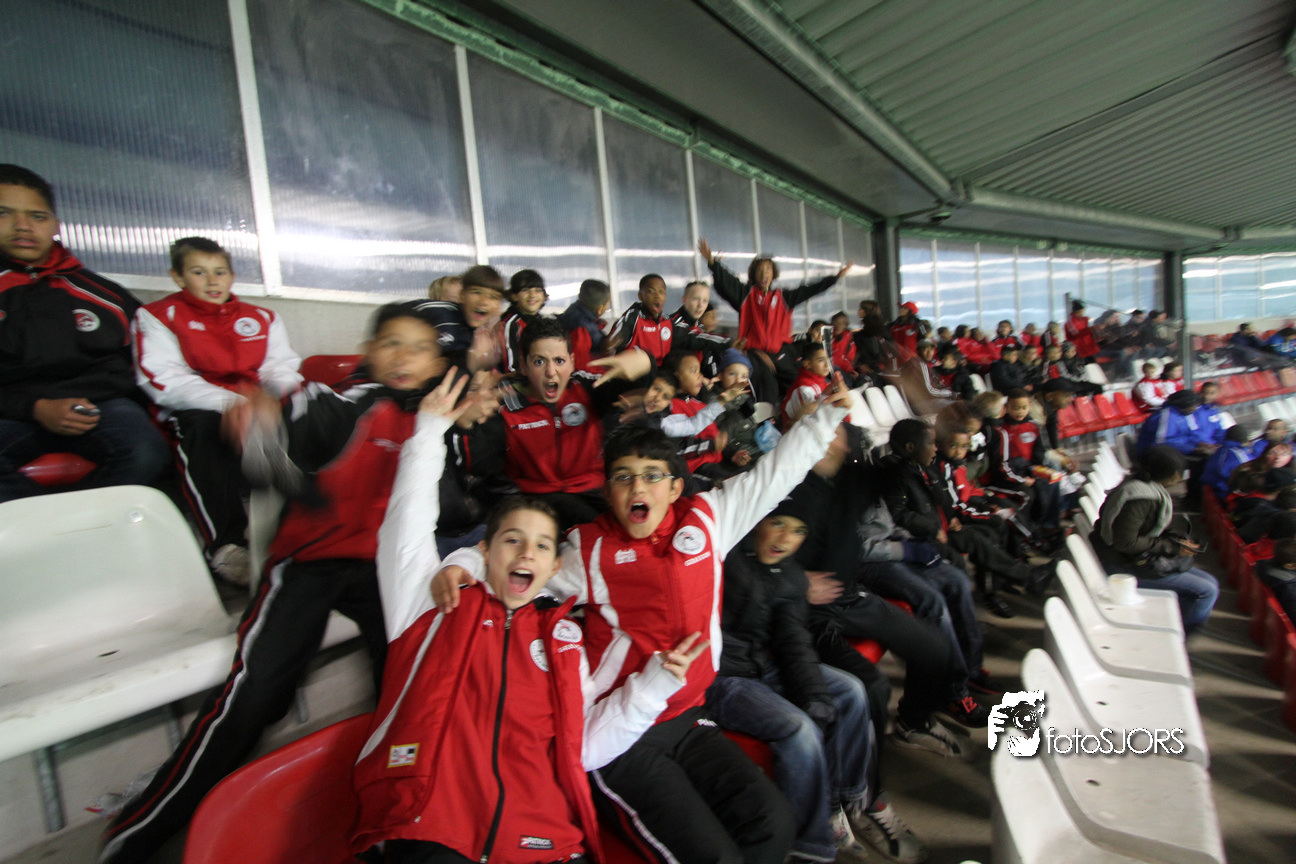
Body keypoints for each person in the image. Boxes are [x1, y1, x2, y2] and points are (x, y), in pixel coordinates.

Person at [100, 301, 462, 864]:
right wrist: (262, 433)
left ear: (437, 363)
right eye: (391, 342)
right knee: (253, 700)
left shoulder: (438, 417)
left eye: (419, 348)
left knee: (407, 687)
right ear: (369, 352)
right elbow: (276, 451)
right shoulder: (335, 402)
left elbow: (453, 507)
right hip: (307, 563)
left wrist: (457, 427)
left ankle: (393, 824)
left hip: (380, 571)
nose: (403, 356)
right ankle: (136, 832)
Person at [434, 386, 854, 864]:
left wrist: (825, 419)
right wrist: (465, 563)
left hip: (689, 716)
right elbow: (518, 558)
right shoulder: (587, 551)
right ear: (608, 491)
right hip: (621, 734)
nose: (638, 488)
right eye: (624, 477)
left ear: (675, 488)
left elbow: (777, 473)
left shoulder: (710, 519)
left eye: (653, 476)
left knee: (773, 823)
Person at [352, 376, 701, 864]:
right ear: (486, 552)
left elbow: (583, 746)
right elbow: (405, 526)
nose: (526, 553)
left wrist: (650, 690)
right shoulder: (433, 603)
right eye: (512, 540)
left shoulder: (564, 642)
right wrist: (428, 432)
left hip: (545, 839)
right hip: (433, 826)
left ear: (554, 567)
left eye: (541, 545)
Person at [706, 495, 926, 864]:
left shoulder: (791, 575)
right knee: (799, 727)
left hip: (761, 664)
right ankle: (811, 845)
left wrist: (813, 693)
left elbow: (793, 641)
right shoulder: (724, 554)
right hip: (721, 677)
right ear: (758, 521)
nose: (784, 538)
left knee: (851, 691)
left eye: (797, 531)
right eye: (778, 524)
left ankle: (843, 799)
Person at [135, 236, 303, 584]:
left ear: (231, 276)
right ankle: (227, 547)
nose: (212, 281)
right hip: (196, 408)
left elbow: (282, 367)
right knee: (206, 431)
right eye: (199, 272)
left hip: (259, 403)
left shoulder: (262, 317)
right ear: (178, 277)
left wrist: (267, 398)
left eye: (220, 272)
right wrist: (237, 405)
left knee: (309, 418)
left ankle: (305, 538)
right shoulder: (157, 316)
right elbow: (164, 378)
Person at [0, 164, 169, 502]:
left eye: (37, 216)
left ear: (55, 225)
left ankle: (80, 525)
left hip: (100, 407)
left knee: (147, 453)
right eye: (4, 213)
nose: (23, 226)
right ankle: (48, 529)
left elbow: (147, 362)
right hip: (10, 411)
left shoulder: (104, 293)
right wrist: (35, 407)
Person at [453, 317, 654, 531]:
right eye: (539, 362)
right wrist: (465, 425)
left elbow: (631, 383)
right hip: (534, 500)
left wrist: (645, 362)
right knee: (594, 528)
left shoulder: (586, 388)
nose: (551, 371)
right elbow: (478, 465)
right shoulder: (503, 407)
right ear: (523, 365)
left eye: (559, 361)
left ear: (572, 361)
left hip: (594, 490)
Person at [1089, 445, 1219, 633]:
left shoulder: (1139, 486)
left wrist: (1175, 540)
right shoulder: (1141, 499)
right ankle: (1183, 635)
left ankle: (1179, 623)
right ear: (1169, 474)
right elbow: (1126, 542)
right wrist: (1171, 547)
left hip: (1128, 558)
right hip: (1121, 566)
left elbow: (1142, 530)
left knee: (1211, 582)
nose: (1181, 477)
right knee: (1206, 591)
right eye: (1179, 472)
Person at [699, 237, 851, 390]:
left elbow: (810, 289)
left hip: (780, 353)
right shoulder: (746, 295)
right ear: (753, 274)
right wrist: (713, 263)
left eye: (768, 269)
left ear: (773, 274)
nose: (764, 273)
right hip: (754, 354)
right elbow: (728, 282)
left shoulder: (784, 298)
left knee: (797, 383)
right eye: (760, 270)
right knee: (767, 386)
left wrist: (835, 278)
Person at [498, 269, 549, 373]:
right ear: (514, 296)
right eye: (525, 290)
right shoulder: (510, 324)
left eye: (538, 290)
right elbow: (511, 368)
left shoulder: (543, 321)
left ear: (544, 296)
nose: (532, 295)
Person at [558, 278, 611, 372]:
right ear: (599, 309)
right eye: (608, 304)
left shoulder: (573, 312)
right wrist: (608, 369)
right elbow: (580, 365)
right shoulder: (581, 330)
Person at [780, 342, 832, 430]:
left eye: (828, 359)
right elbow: (815, 418)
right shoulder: (805, 388)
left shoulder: (820, 380)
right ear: (807, 364)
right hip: (794, 432)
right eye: (821, 360)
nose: (827, 364)